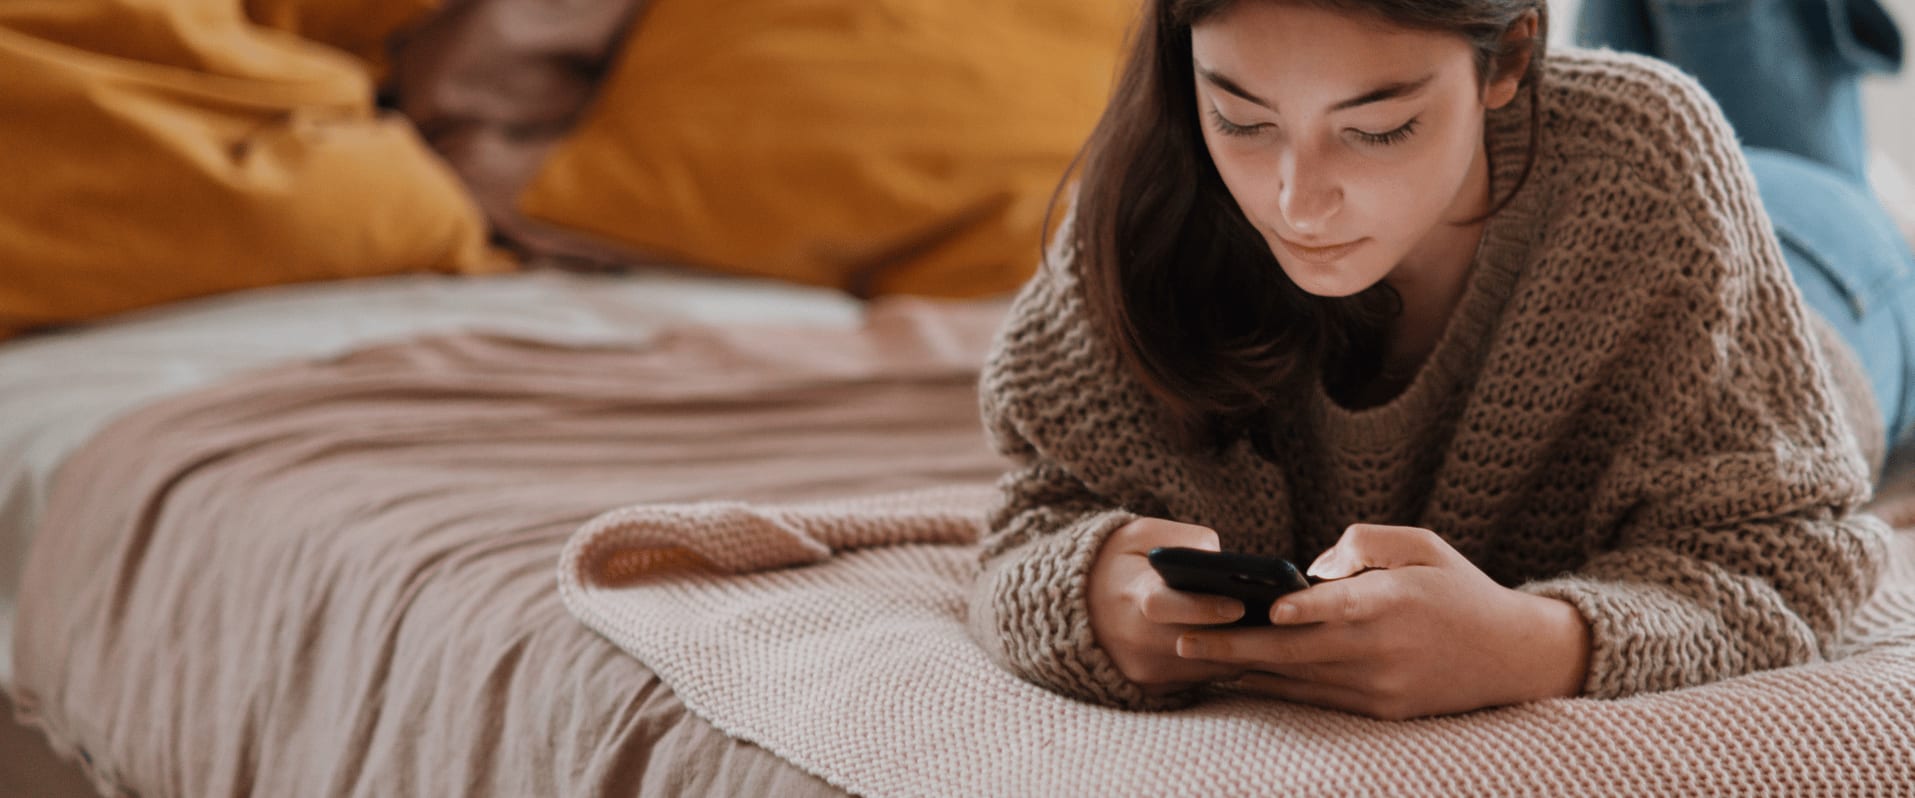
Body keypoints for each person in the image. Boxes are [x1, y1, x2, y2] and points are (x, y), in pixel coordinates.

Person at [966, 0, 1915, 720]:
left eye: (1378, 127)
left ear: (1509, 59)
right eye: (1242, 119)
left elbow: (1790, 560)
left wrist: (1540, 646)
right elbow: (1033, 519)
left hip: (1826, 279)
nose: (1297, 204)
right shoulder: (1147, 195)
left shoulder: (1650, 155)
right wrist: (1091, 595)